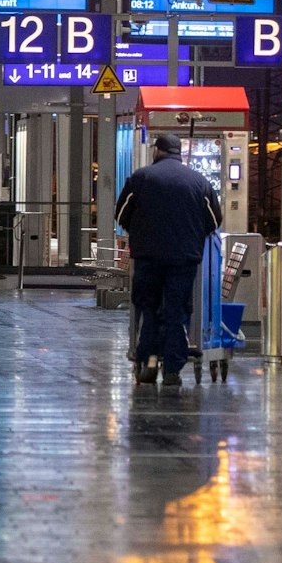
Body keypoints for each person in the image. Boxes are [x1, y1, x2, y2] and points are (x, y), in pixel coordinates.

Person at [114, 132, 223, 386]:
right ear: (179, 153)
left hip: (148, 258)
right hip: (183, 260)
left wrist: (141, 232)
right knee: (176, 312)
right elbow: (214, 220)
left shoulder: (140, 178)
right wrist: (192, 235)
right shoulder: (199, 181)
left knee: (149, 309)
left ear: (157, 151)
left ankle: (150, 362)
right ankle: (173, 370)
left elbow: (121, 214)